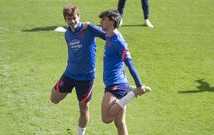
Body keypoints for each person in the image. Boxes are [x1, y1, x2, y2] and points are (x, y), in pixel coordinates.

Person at [50, 5, 105, 135]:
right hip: (69, 74)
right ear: (65, 20)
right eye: (69, 19)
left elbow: (107, 35)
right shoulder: (67, 34)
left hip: (86, 78)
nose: (72, 21)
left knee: (83, 108)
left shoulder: (89, 29)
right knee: (54, 98)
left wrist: (91, 25)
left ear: (79, 16)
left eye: (74, 18)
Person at [99, 9, 150, 135]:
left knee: (106, 118)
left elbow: (130, 64)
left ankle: (132, 92)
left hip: (116, 84)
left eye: (103, 19)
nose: (100, 21)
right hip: (115, 82)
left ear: (111, 22)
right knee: (120, 122)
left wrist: (139, 86)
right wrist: (86, 25)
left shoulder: (118, 41)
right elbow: (97, 30)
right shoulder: (108, 35)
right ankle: (130, 91)